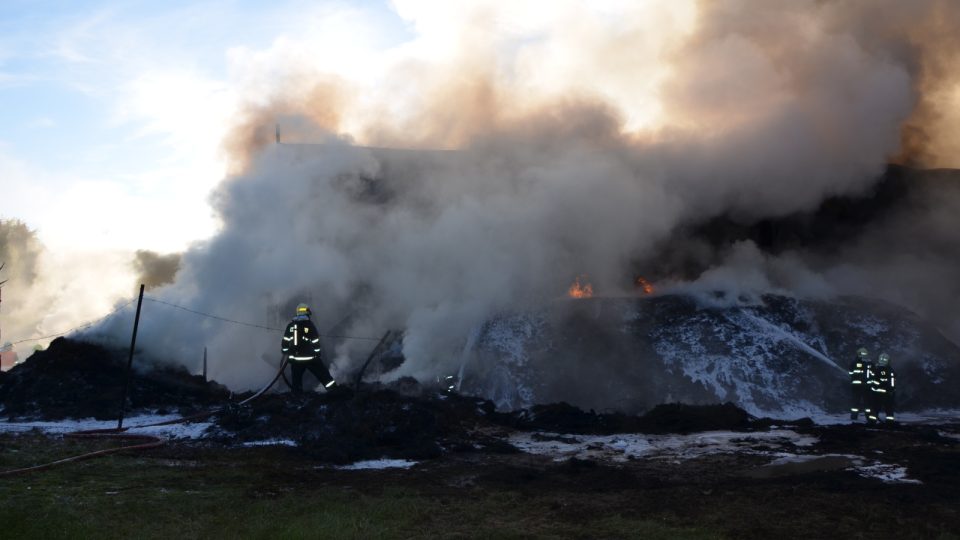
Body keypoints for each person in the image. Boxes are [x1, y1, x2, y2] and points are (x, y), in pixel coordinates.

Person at [281, 303, 337, 393]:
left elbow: (285, 342)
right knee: (324, 375)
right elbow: (315, 340)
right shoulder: (310, 325)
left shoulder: (291, 326)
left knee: (296, 381)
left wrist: (286, 352)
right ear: (307, 313)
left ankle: (297, 399)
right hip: (310, 358)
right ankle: (334, 391)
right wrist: (318, 353)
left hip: (296, 360)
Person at [867, 352, 896, 424]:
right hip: (887, 394)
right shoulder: (890, 370)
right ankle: (890, 422)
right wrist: (891, 390)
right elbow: (892, 382)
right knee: (889, 409)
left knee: (875, 408)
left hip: (877, 394)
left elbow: (872, 379)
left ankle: (871, 422)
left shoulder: (876, 369)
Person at [849, 347, 872, 420]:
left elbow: (874, 374)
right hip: (859, 387)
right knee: (858, 403)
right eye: (863, 354)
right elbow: (851, 373)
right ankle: (855, 417)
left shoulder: (869, 363)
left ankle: (868, 417)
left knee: (865, 403)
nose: (863, 356)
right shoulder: (856, 363)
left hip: (863, 387)